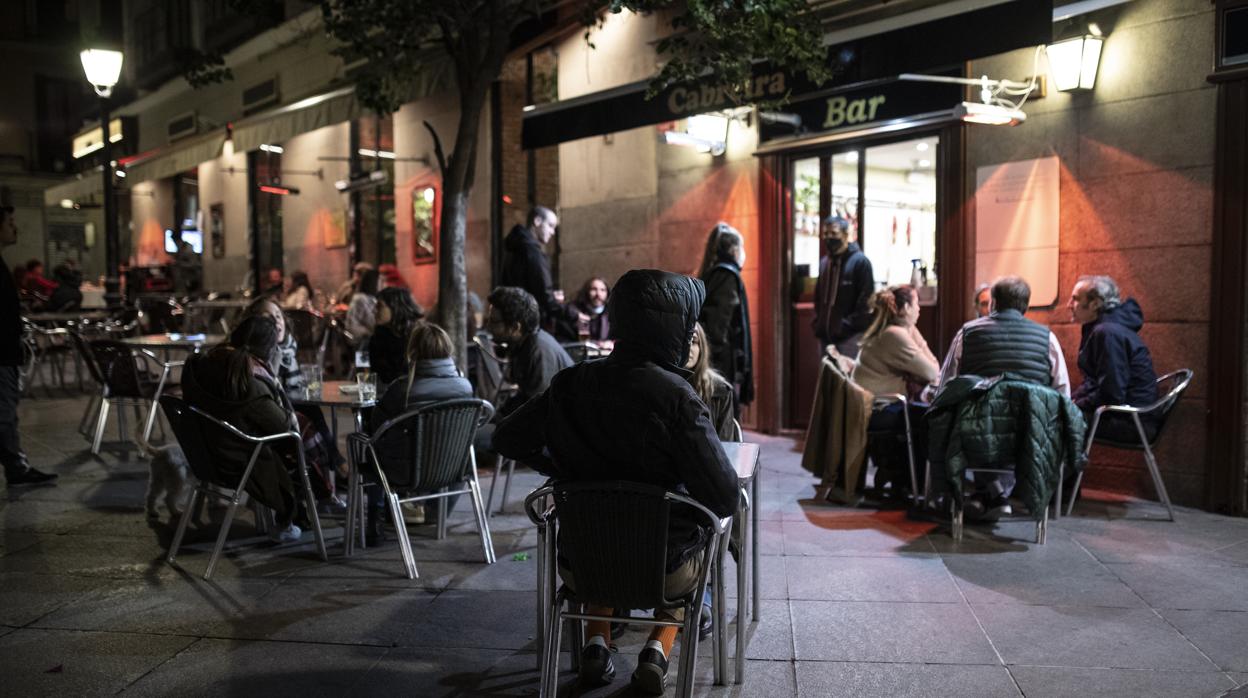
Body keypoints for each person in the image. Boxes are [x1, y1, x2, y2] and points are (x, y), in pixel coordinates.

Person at [493, 269, 738, 694]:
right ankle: (656, 653)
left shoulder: (572, 382)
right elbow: (725, 496)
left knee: (604, 537)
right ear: (676, 328)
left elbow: (507, 437)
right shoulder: (679, 398)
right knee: (705, 542)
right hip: (665, 569)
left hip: (581, 564)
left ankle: (596, 644)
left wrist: (559, 469)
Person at [935, 275, 1070, 519]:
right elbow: (1062, 391)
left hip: (975, 433)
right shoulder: (1046, 338)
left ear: (993, 303)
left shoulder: (967, 333)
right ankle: (997, 495)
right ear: (1026, 306)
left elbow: (947, 385)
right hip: (1030, 436)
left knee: (975, 423)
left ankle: (986, 494)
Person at [182, 316, 308, 542]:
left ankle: (309, 505)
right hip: (240, 463)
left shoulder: (204, 364)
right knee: (304, 437)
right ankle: (298, 514)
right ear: (267, 349)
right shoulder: (249, 382)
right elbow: (281, 425)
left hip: (204, 455)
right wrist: (274, 380)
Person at [365, 321, 474, 544]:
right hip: (452, 468)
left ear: (412, 351)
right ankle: (432, 512)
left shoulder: (402, 390)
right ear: (448, 350)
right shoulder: (465, 388)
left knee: (366, 445)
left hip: (405, 472)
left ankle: (374, 519)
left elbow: (376, 428)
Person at [242, 297, 344, 501]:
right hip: (267, 421)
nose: (276, 321)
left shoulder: (289, 347)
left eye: (278, 316)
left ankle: (332, 472)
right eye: (268, 317)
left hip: (289, 407)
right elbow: (271, 391)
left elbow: (293, 388)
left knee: (313, 413)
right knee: (309, 420)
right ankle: (332, 473)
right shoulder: (256, 356)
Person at [851, 285, 940, 491]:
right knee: (929, 419)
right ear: (906, 308)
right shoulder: (894, 335)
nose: (919, 309)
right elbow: (933, 371)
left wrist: (912, 330)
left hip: (869, 405)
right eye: (916, 304)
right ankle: (913, 484)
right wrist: (916, 334)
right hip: (878, 408)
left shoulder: (887, 330)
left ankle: (901, 476)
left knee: (922, 414)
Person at [0, 203, 58, 486]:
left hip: (7, 353)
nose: (15, 228)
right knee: (4, 413)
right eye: (10, 222)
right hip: (2, 355)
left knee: (6, 414)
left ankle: (16, 466)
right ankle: (16, 467)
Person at [1068, 275, 1159, 442]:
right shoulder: (1105, 328)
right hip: (1128, 417)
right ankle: (1067, 468)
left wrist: (1075, 405)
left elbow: (1112, 392)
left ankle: (1064, 469)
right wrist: (1072, 400)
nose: (1068, 305)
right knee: (1056, 414)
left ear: (1095, 303)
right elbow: (1097, 383)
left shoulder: (1107, 333)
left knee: (1052, 421)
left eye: (1075, 299)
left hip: (1132, 422)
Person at [698, 223, 754, 410]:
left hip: (717, 360)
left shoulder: (713, 273)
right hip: (721, 362)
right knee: (725, 412)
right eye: (741, 247)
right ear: (733, 249)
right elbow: (717, 325)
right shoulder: (726, 275)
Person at [813, 216, 875, 358]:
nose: (829, 238)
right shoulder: (825, 263)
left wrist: (845, 327)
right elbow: (818, 297)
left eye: (834, 233)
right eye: (826, 234)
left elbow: (866, 302)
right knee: (827, 377)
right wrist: (818, 324)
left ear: (846, 235)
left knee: (847, 378)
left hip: (850, 338)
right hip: (825, 338)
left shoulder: (860, 262)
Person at [500, 206, 563, 328]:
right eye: (550, 225)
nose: (553, 232)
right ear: (537, 221)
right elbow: (545, 296)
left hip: (514, 318)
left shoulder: (514, 247)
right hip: (530, 322)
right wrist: (571, 313)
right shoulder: (532, 252)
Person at [687, 322, 735, 441]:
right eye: (684, 342)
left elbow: (725, 442)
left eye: (693, 342)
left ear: (701, 347)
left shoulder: (720, 389)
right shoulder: (662, 386)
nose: (688, 348)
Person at [369, 286, 426, 385]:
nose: (373, 311)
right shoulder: (378, 337)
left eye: (379, 306)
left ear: (395, 307)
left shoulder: (419, 337)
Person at [556, 276, 610, 343]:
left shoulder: (611, 313)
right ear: (586, 291)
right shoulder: (573, 311)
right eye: (594, 289)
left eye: (602, 290)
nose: (598, 294)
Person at [345, 267, 380, 343]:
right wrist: (369, 333)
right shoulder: (361, 299)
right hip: (362, 343)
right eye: (380, 281)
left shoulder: (374, 298)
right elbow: (352, 325)